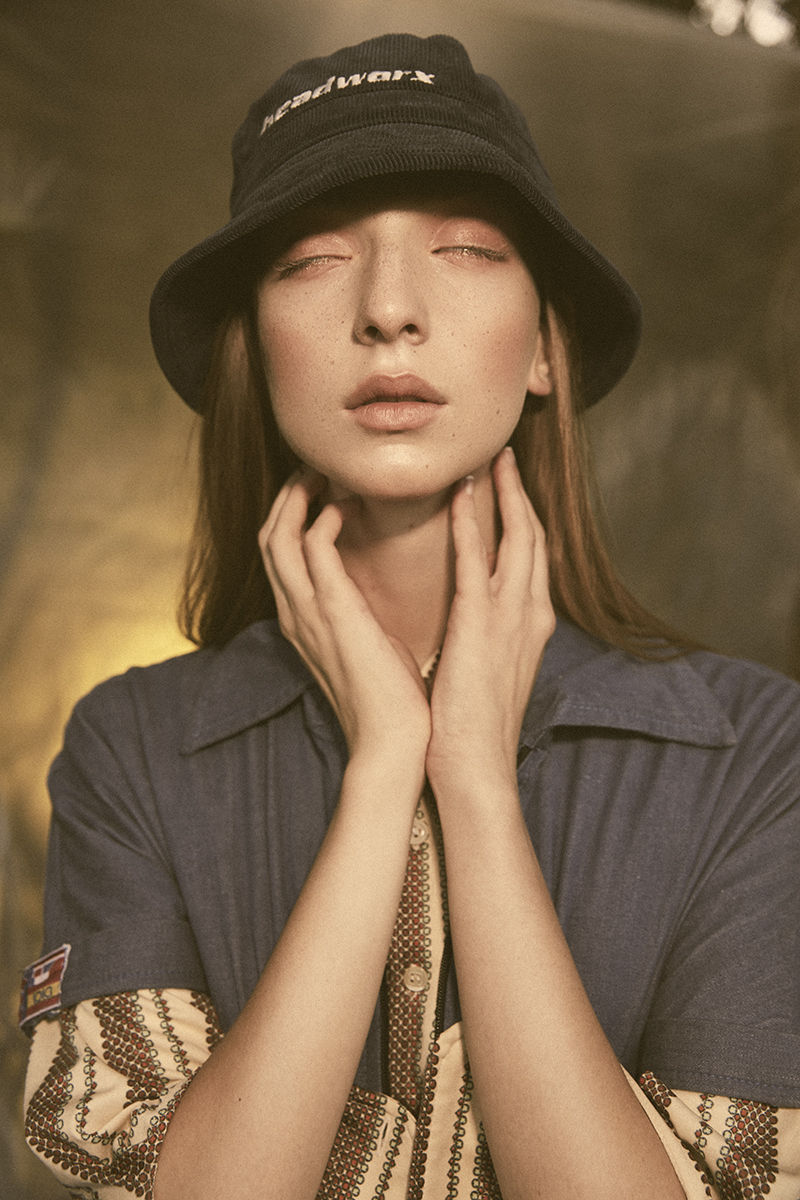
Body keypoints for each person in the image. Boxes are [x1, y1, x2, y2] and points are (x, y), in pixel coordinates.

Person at [18, 32, 800, 1200]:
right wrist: (385, 762)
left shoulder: (755, 752)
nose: (388, 308)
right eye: (311, 260)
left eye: (466, 247)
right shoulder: (129, 747)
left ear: (543, 349)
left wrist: (474, 781)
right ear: (254, 356)